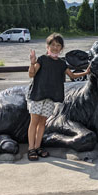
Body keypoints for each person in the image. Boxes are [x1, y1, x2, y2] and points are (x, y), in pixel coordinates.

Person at [26, 33, 89, 161]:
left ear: (61, 48)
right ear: (48, 46)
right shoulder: (42, 59)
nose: (55, 47)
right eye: (53, 45)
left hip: (50, 97)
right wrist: (32, 63)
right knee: (34, 122)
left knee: (43, 123)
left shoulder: (61, 64)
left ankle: (38, 147)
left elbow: (72, 76)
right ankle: (31, 149)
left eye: (58, 45)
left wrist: (86, 72)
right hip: (37, 95)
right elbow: (31, 75)